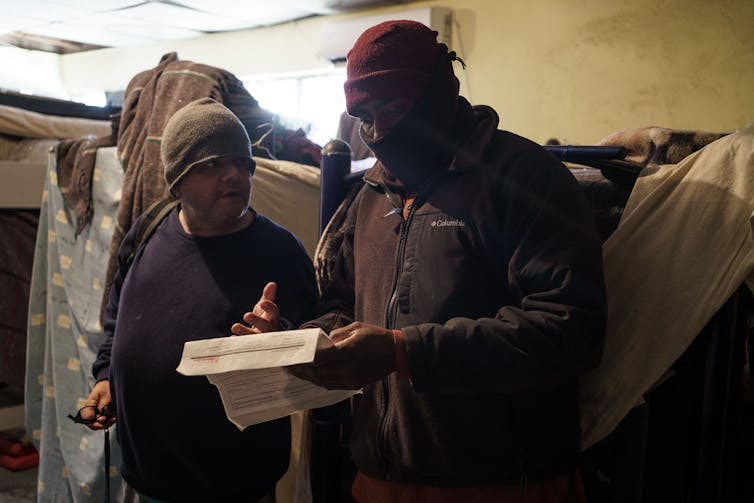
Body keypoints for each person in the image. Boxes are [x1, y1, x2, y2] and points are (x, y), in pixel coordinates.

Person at [237, 20, 608, 502]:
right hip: (380, 477)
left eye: (395, 107)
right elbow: (347, 308)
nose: (378, 130)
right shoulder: (369, 195)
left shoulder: (523, 178)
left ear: (440, 94)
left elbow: (570, 328)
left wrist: (402, 351)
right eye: (365, 114)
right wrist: (293, 341)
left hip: (504, 482)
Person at [81, 97, 318, 502]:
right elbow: (117, 313)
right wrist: (106, 376)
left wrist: (277, 335)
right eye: (211, 164)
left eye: (242, 163)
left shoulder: (279, 250)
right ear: (176, 181)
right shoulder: (149, 228)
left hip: (235, 486)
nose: (233, 175)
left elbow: (318, 340)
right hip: (145, 477)